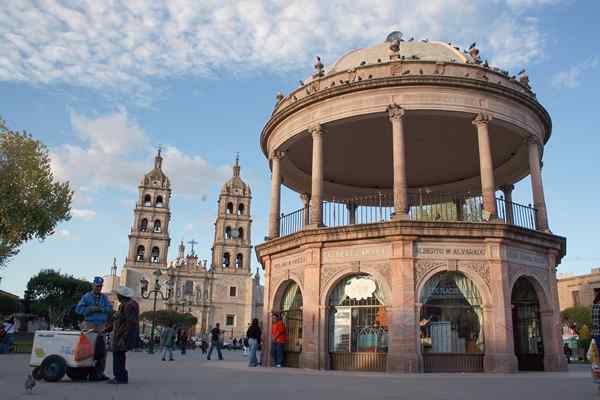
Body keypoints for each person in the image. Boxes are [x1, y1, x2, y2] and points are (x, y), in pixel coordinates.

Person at [75, 276, 112, 380]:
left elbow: (109, 308)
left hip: (101, 326)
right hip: (89, 324)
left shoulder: (104, 298)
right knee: (87, 349)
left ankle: (99, 373)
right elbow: (78, 309)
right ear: (93, 285)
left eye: (100, 286)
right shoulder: (86, 297)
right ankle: (83, 372)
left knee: (101, 350)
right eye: (97, 286)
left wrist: (101, 309)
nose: (98, 288)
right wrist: (89, 309)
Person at [108, 286, 139, 385]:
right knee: (120, 356)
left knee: (118, 356)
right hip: (121, 334)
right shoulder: (129, 304)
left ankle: (119, 377)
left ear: (122, 296)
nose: (117, 296)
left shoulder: (128, 306)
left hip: (121, 335)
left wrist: (124, 337)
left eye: (118, 295)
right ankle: (122, 376)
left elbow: (130, 322)